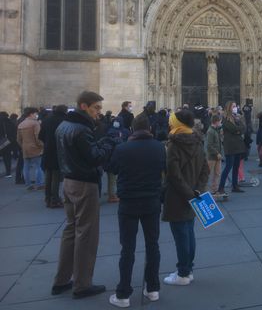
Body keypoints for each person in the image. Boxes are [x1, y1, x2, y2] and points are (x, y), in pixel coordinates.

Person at [52, 91, 118, 299]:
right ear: (83, 106)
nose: (99, 112)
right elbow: (94, 157)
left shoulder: (63, 126)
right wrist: (108, 143)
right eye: (96, 108)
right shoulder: (81, 129)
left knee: (71, 231)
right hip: (84, 184)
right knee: (86, 234)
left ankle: (61, 280)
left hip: (68, 182)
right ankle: (82, 284)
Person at [108, 116, 166, 307]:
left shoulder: (122, 148)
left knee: (128, 248)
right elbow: (163, 168)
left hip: (129, 203)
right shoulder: (158, 147)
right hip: (151, 202)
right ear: (149, 128)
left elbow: (113, 169)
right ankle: (153, 289)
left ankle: (123, 294)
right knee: (153, 245)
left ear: (132, 129)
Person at [162, 109, 209, 286]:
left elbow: (173, 175)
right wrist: (197, 190)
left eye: (172, 120)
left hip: (177, 196)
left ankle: (182, 273)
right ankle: (188, 270)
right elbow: (205, 169)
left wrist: (188, 193)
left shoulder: (174, 144)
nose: (170, 123)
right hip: (194, 195)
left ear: (177, 124)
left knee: (181, 235)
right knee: (189, 233)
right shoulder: (198, 141)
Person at [39, 105, 68, 207]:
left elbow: (40, 136)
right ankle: (55, 199)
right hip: (58, 151)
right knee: (56, 176)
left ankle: (48, 198)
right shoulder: (64, 120)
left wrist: (47, 142)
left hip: (48, 150)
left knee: (48, 175)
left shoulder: (47, 119)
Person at [217, 101, 246, 194]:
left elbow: (243, 128)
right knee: (228, 166)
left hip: (238, 145)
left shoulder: (236, 117)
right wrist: (238, 130)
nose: (235, 107)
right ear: (229, 107)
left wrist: (239, 128)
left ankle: (235, 185)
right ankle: (221, 187)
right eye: (233, 106)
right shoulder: (225, 118)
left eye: (235, 106)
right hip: (230, 146)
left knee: (236, 166)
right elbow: (233, 129)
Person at [17, 107, 45, 191]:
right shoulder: (35, 123)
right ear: (31, 114)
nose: (36, 115)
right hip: (35, 147)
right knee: (38, 166)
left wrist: (22, 146)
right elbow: (38, 137)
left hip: (25, 148)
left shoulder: (21, 124)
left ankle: (28, 185)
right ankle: (39, 184)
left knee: (26, 167)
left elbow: (18, 139)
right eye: (36, 114)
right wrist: (41, 145)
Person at [205, 115, 224, 194]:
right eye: (220, 121)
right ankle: (204, 190)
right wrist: (217, 153)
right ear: (216, 121)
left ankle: (214, 190)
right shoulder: (210, 131)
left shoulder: (216, 130)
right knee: (207, 174)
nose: (221, 123)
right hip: (212, 156)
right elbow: (209, 145)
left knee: (217, 173)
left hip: (217, 155)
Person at [0, 111, 17, 178]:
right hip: (8, 143)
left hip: (1, 142)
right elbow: (14, 133)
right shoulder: (11, 123)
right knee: (7, 158)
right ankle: (8, 173)